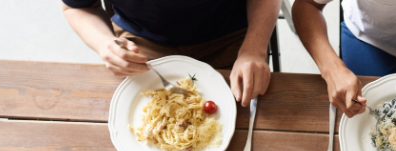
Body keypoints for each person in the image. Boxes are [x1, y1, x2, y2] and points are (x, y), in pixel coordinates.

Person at [60, 0, 279, 106]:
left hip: (230, 35)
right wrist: (104, 43)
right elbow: (77, 6)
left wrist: (254, 50)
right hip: (141, 41)